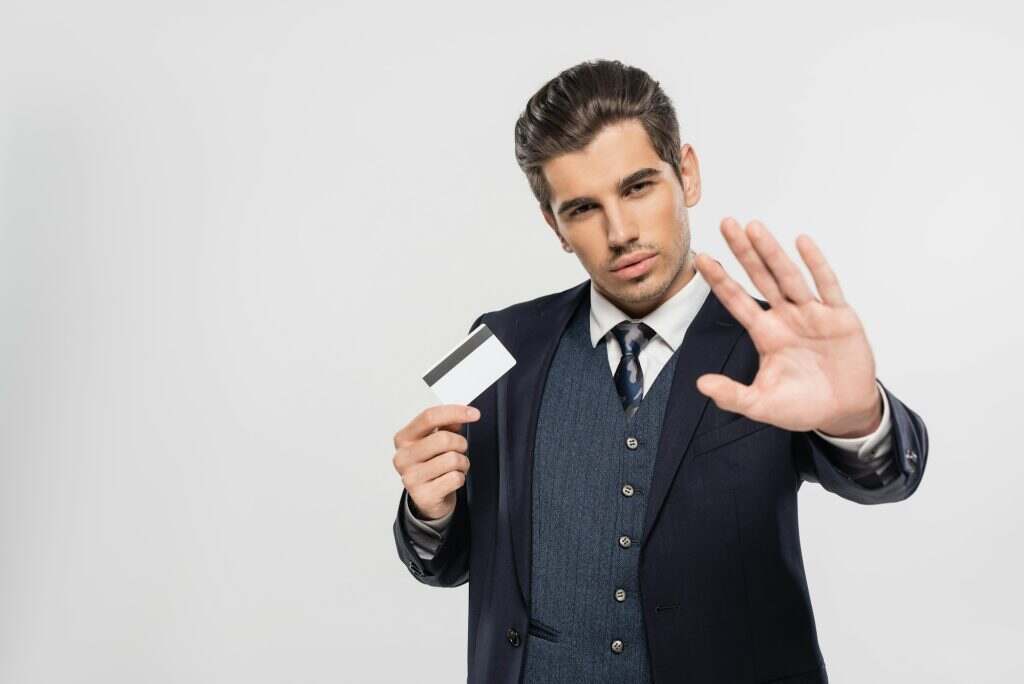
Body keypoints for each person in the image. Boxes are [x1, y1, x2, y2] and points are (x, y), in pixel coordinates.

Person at [390, 58, 927, 684]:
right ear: (554, 225)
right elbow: (442, 561)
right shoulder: (493, 342)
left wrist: (856, 416)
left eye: (638, 187)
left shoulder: (779, 345)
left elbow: (890, 480)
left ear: (687, 174)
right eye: (584, 208)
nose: (620, 232)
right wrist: (427, 510)